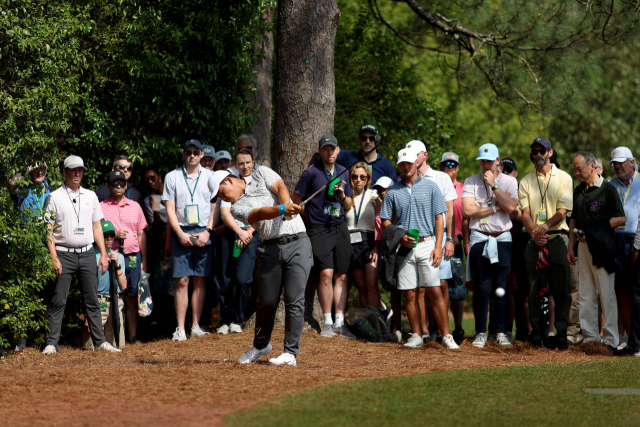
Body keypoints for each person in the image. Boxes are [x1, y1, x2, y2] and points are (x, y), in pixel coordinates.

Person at [210, 166, 312, 366]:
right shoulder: (236, 207)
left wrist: (285, 206)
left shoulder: (260, 173)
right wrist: (282, 210)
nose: (223, 198)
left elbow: (281, 186)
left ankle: (290, 353)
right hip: (270, 248)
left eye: (221, 192)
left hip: (298, 243)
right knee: (266, 302)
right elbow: (258, 214)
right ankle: (261, 345)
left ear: (228, 181)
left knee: (294, 300)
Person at [380, 147, 459, 349]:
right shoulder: (393, 192)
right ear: (398, 165)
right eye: (402, 164)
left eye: (409, 163)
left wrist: (438, 246)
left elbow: (439, 218)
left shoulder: (432, 187)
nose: (406, 167)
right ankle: (415, 334)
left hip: (427, 244)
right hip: (405, 247)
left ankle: (447, 335)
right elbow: (386, 221)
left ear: (416, 163)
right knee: (410, 292)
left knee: (434, 290)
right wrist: (400, 236)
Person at [42, 155, 121, 354]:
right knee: (59, 300)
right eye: (73, 170)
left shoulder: (91, 195)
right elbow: (47, 230)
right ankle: (51, 343)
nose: (78, 173)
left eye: (80, 170)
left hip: (87, 253)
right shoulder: (54, 197)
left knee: (93, 299)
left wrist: (103, 253)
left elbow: (96, 227)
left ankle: (100, 342)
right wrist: (53, 257)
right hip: (63, 253)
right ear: (64, 172)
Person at [292, 135, 354, 339]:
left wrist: (342, 195)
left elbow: (348, 206)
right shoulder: (311, 172)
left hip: (339, 227)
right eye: (325, 149)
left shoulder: (344, 171)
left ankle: (340, 322)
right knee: (326, 274)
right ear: (320, 151)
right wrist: (310, 216)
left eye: (333, 149)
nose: (329, 152)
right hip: (318, 229)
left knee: (342, 275)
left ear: (338, 150)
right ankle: (327, 323)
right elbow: (295, 201)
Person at [567, 151, 625, 349]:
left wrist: (596, 232)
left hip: (603, 248)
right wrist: (570, 245)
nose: (576, 173)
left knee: (606, 293)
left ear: (592, 166)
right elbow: (574, 218)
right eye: (574, 170)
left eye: (579, 169)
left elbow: (620, 218)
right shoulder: (578, 191)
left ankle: (610, 340)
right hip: (582, 248)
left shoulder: (607, 189)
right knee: (585, 293)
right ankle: (590, 339)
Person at [462, 144, 518, 348]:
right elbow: (468, 211)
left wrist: (495, 186)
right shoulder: (471, 181)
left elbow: (511, 207)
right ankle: (481, 332)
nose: (485, 165)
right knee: (482, 287)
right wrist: (495, 206)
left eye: (489, 161)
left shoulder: (510, 181)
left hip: (502, 238)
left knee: (501, 288)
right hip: (480, 237)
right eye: (482, 161)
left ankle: (500, 332)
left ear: (498, 161)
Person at [519, 137, 573, 349]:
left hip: (558, 237)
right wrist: (534, 232)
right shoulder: (525, 181)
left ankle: (560, 334)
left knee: (561, 289)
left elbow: (563, 211)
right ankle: (537, 334)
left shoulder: (564, 178)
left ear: (551, 152)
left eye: (542, 151)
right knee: (533, 288)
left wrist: (544, 227)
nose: (538, 155)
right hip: (534, 239)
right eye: (535, 151)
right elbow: (524, 214)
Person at [162, 139, 218, 341]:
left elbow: (215, 208)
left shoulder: (211, 177)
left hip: (204, 231)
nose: (192, 155)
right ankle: (180, 328)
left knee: (200, 279)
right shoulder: (172, 177)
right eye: (189, 152)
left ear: (202, 155)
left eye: (196, 152)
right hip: (182, 230)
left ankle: (195, 325)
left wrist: (208, 231)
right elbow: (169, 208)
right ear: (183, 154)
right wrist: (179, 234)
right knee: (182, 280)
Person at [406, 140, 457, 343]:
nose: (412, 158)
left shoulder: (441, 177)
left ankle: (443, 332)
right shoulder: (407, 179)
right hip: (417, 236)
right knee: (417, 287)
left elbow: (449, 211)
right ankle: (425, 331)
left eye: (416, 154)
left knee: (440, 285)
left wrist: (450, 240)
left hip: (440, 236)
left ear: (424, 155)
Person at [100, 170, 148, 342]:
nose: (119, 186)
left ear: (126, 185)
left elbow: (141, 234)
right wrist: (113, 235)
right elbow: (96, 233)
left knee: (132, 295)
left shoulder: (135, 206)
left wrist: (145, 262)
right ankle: (113, 336)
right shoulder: (101, 207)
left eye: (122, 183)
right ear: (108, 186)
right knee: (111, 293)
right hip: (112, 256)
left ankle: (132, 335)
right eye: (115, 183)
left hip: (133, 257)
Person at [216, 148, 260, 334]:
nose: (245, 166)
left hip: (251, 234)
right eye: (241, 163)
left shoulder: (259, 184)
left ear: (253, 163)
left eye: (248, 163)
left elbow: (261, 214)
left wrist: (248, 232)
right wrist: (238, 232)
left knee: (243, 279)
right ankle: (224, 320)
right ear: (236, 165)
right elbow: (225, 213)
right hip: (230, 234)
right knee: (225, 280)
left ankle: (238, 319)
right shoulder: (230, 181)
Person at [608, 146, 639, 349]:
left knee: (637, 290)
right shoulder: (610, 185)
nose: (618, 167)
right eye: (615, 164)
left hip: (638, 238)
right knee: (621, 290)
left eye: (622, 162)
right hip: (616, 240)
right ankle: (630, 339)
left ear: (632, 162)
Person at [82, 221, 127, 350]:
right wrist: (87, 313)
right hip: (98, 300)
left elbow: (123, 286)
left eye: (111, 235)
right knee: (90, 347)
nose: (108, 238)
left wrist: (117, 265)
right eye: (105, 235)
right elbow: (87, 287)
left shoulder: (119, 257)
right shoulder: (91, 256)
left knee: (117, 345)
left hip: (116, 301)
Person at [439, 152, 466, 342]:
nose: (450, 166)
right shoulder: (436, 185)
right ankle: (440, 327)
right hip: (436, 244)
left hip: (457, 244)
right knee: (438, 287)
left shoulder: (464, 189)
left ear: (457, 168)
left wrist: (460, 238)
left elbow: (468, 218)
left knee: (456, 289)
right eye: (446, 163)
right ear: (440, 167)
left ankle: (458, 328)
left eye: (453, 164)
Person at [345, 161, 380, 308]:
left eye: (362, 177)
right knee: (361, 286)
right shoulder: (346, 198)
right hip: (351, 244)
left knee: (371, 283)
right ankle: (369, 323)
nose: (358, 180)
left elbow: (380, 223)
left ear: (368, 178)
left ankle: (378, 320)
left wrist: (377, 247)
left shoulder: (373, 195)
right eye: (355, 176)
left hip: (370, 243)